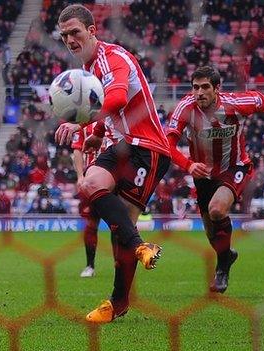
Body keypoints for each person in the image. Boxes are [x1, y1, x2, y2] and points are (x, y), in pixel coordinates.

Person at [53, 4, 171, 323]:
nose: (69, 39)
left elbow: (117, 99)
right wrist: (97, 133)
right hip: (120, 144)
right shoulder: (90, 69)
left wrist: (82, 125)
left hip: (147, 147)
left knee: (120, 232)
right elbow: (115, 110)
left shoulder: (112, 58)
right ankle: (140, 248)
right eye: (64, 35)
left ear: (92, 31)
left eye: (75, 32)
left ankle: (118, 302)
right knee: (92, 183)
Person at [166, 66, 264, 293]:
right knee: (210, 231)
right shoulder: (185, 108)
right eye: (195, 88)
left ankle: (222, 269)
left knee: (216, 210)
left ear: (217, 88)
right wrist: (188, 164)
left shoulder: (235, 103)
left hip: (235, 167)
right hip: (203, 174)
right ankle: (227, 255)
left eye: (205, 87)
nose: (199, 93)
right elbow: (169, 144)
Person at [71, 120, 117, 278]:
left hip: (113, 178)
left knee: (116, 224)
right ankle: (90, 265)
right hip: (91, 180)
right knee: (91, 223)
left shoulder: (114, 120)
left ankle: (118, 263)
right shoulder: (83, 125)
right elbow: (77, 150)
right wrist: (80, 176)